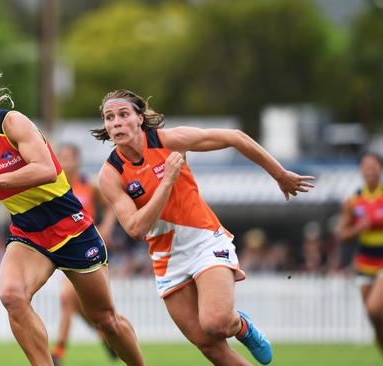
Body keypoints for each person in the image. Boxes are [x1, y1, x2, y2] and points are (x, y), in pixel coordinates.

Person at [0, 53, 145, 366]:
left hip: (71, 227)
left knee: (105, 320)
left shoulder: (14, 123)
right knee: (11, 295)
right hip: (29, 233)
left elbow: (45, 169)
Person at [93, 89, 315, 365]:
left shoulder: (169, 140)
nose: (116, 122)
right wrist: (167, 181)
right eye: (109, 117)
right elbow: (136, 229)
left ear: (139, 119)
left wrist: (280, 175)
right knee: (211, 347)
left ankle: (241, 326)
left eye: (123, 115)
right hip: (167, 258)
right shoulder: (110, 174)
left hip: (204, 240)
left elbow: (234, 137)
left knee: (217, 323)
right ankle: (238, 326)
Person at [50, 144, 118, 365]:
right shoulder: (53, 186)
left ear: (77, 161)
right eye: (60, 157)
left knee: (68, 299)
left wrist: (106, 228)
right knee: (80, 306)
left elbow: (111, 207)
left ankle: (58, 353)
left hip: (87, 249)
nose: (64, 161)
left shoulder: (89, 186)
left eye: (68, 157)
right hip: (63, 250)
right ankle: (106, 337)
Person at [337, 152, 383, 352]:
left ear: (380, 169)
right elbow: (343, 234)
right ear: (361, 171)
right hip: (365, 263)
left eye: (374, 166)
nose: (370, 170)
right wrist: (358, 228)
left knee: (375, 308)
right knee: (375, 320)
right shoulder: (352, 201)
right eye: (366, 166)